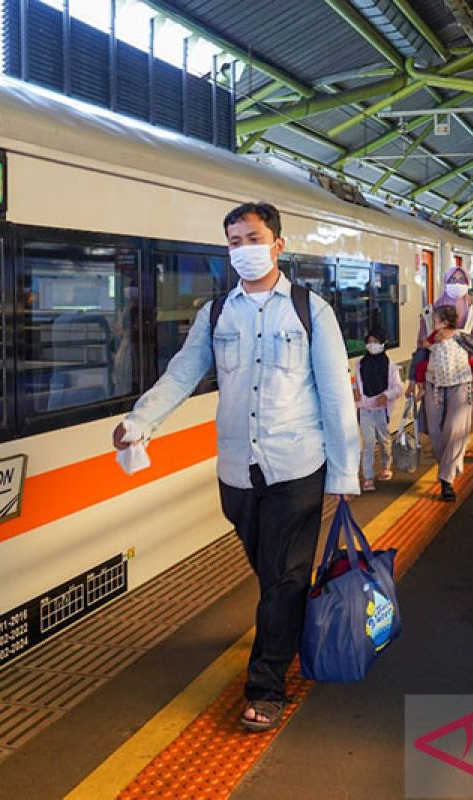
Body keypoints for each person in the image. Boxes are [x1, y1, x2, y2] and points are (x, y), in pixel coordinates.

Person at [112, 202, 359, 732]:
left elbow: (337, 396)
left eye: (252, 237)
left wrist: (344, 473)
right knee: (272, 575)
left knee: (285, 580)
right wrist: (140, 422)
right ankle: (287, 633)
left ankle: (267, 687)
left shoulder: (310, 311)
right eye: (233, 241)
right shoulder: (217, 313)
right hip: (238, 472)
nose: (242, 249)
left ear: (278, 245)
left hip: (296, 465)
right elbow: (182, 373)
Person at [414, 266, 473, 502]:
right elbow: (420, 350)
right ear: (444, 282)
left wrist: (455, 334)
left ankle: (446, 480)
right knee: (436, 433)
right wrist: (416, 382)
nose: (456, 283)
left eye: (461, 279)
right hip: (433, 383)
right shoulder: (428, 315)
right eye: (452, 279)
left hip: (462, 381)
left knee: (455, 430)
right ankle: (447, 467)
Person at [354, 329, 403, 492]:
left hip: (381, 409)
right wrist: (354, 390)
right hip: (365, 409)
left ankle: (386, 465)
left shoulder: (390, 367)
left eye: (376, 341)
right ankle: (368, 476)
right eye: (369, 342)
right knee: (367, 442)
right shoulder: (360, 364)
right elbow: (357, 383)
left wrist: (386, 395)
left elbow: (398, 388)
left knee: (384, 440)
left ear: (383, 344)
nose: (372, 345)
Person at [416, 305, 473, 398]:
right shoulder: (459, 333)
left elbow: (425, 344)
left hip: (437, 363)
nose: (433, 325)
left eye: (435, 322)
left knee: (420, 367)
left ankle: (421, 390)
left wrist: (429, 341)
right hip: (460, 365)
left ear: (445, 323)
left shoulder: (436, 334)